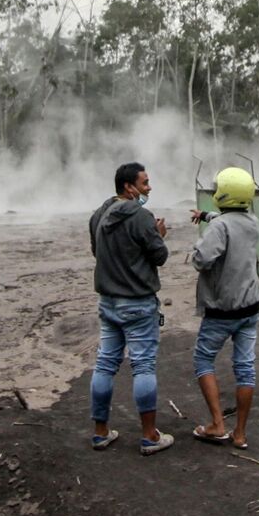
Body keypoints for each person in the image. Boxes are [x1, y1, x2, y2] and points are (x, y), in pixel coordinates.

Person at [88, 161, 175, 455]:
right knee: (143, 366)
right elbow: (160, 256)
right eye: (145, 182)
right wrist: (159, 235)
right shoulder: (141, 216)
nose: (149, 188)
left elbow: (96, 252)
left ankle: (100, 432)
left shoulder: (98, 214)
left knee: (105, 364)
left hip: (108, 302)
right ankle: (150, 436)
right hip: (137, 304)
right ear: (129, 186)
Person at [188, 167, 259, 449]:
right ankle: (240, 434)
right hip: (250, 307)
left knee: (203, 360)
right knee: (245, 368)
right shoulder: (253, 222)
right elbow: (228, 222)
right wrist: (205, 216)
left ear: (223, 193)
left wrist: (201, 238)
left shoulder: (219, 228)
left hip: (222, 310)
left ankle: (218, 425)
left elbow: (201, 260)